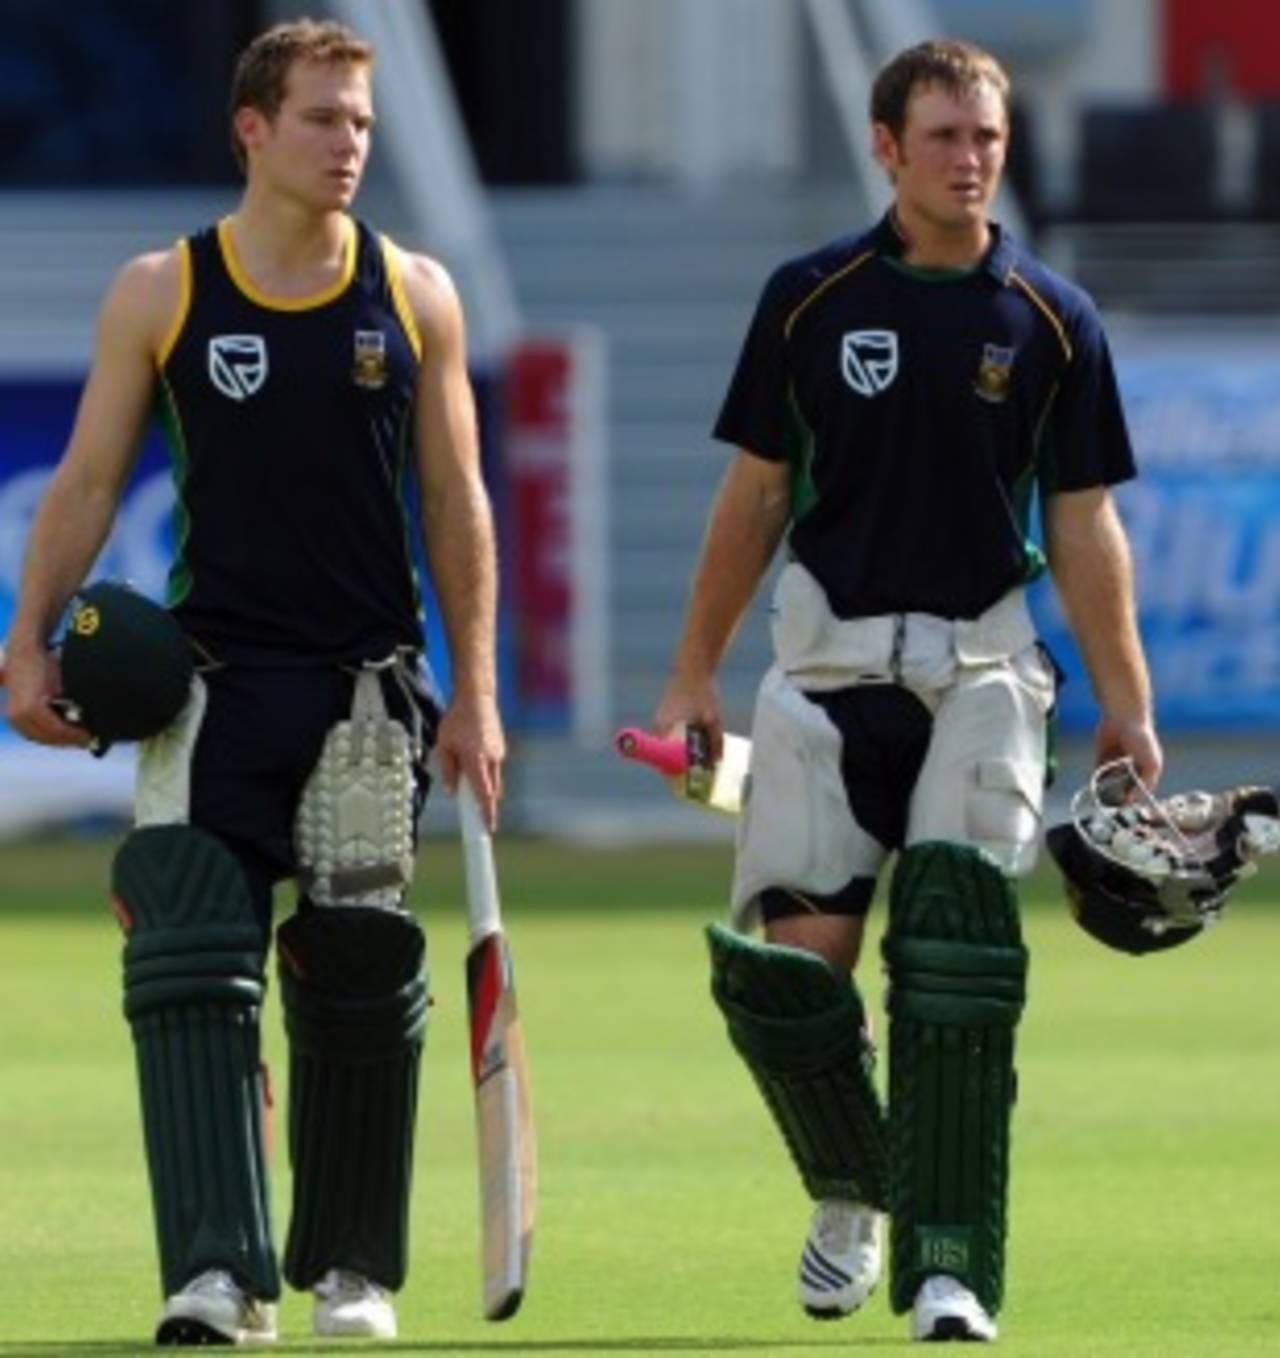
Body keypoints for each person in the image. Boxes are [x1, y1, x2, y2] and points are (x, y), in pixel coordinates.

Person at [4, 18, 503, 1347]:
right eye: (324, 120)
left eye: (362, 125)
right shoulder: (161, 290)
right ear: (252, 130)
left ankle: (352, 1269)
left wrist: (480, 692)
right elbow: (89, 483)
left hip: (365, 698)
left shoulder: (417, 295)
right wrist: (25, 643)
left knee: (355, 981)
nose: (350, 146)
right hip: (207, 693)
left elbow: (456, 501)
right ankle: (217, 1275)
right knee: (190, 971)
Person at [655, 38, 1160, 1344]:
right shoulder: (807, 297)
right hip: (821, 676)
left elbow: (1087, 521)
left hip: (983, 672)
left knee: (953, 965)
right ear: (886, 147)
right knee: (797, 987)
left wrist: (1128, 702)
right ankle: (850, 1190)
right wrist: (695, 668)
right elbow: (756, 491)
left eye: (986, 134)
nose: (970, 156)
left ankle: (950, 1266)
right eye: (942, 135)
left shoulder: (1053, 317)